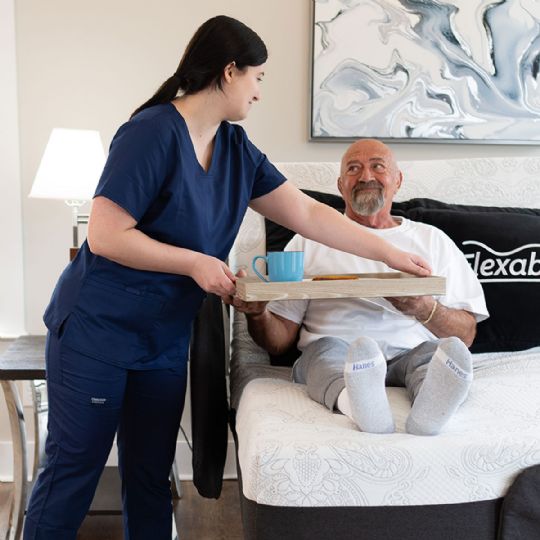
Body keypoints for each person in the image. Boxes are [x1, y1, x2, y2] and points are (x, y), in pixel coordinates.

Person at [23, 16, 431, 540]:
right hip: (98, 330)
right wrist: (194, 263)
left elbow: (308, 215)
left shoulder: (236, 149)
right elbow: (105, 234)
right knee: (72, 476)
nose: (260, 92)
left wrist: (388, 254)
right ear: (229, 71)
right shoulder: (150, 132)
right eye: (258, 77)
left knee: (149, 477)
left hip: (163, 339)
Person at [227, 139, 489, 437]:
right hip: (336, 348)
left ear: (398, 180)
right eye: (354, 168)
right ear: (340, 185)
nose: (366, 177)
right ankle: (357, 402)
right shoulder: (307, 240)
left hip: (411, 350)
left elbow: (466, 334)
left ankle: (431, 411)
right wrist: (258, 314)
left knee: (438, 354)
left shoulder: (433, 240)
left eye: (377, 166)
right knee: (322, 354)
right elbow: (278, 342)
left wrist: (423, 308)